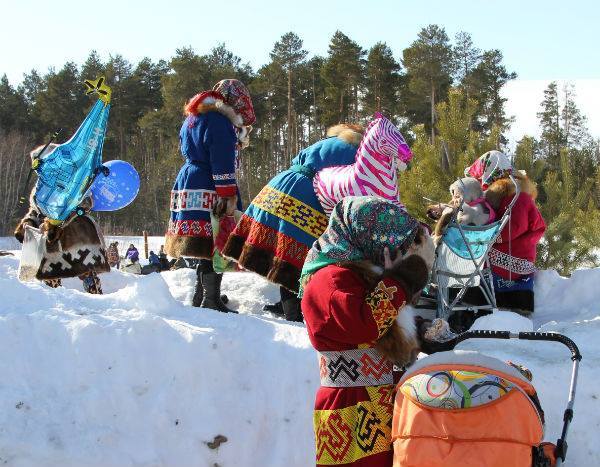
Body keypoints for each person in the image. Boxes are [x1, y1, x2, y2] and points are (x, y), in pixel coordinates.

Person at [300, 197, 435, 467]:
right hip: (351, 409)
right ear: (368, 236)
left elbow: (384, 324)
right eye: (391, 244)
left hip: (380, 403)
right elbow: (364, 323)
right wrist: (403, 279)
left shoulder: (362, 274)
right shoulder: (329, 279)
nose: (395, 252)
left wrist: (420, 331)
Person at [222, 123, 364, 321]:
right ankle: (293, 312)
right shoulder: (359, 152)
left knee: (282, 250)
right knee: (298, 256)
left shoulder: (329, 141)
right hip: (307, 193)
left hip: (281, 184)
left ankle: (287, 304)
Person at [164, 79, 255, 313]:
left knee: (201, 243)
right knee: (215, 239)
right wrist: (228, 195)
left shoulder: (193, 118)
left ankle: (200, 295)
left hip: (189, 181)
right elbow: (221, 159)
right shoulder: (219, 122)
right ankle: (210, 299)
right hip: (210, 183)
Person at [14, 144, 110, 294]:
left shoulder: (74, 181)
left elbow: (86, 203)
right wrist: (28, 222)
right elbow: (35, 209)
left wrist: (59, 222)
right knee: (48, 270)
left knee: (85, 267)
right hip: (47, 234)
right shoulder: (41, 186)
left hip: (75, 231)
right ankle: (53, 301)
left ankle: (95, 296)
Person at [462, 150, 546, 313]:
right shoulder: (514, 193)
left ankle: (482, 306)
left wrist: (488, 236)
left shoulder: (516, 195)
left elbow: (513, 227)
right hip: (517, 254)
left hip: (512, 257)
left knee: (471, 260)